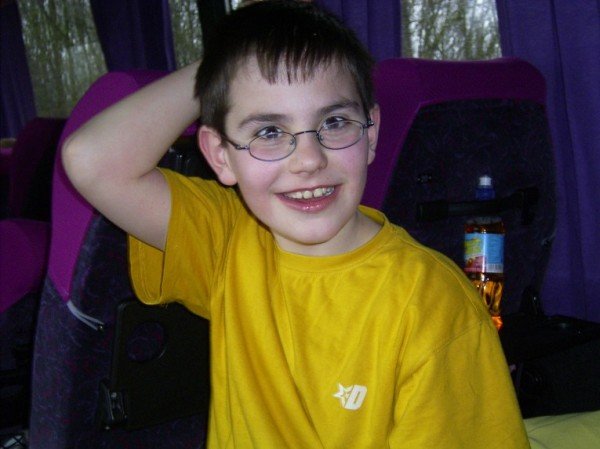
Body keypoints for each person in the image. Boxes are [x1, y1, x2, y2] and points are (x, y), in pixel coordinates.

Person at [62, 1, 530, 447]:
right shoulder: (227, 240)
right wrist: (230, 60)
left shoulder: (431, 305)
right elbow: (92, 160)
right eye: (269, 131)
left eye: (335, 122)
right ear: (221, 156)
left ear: (370, 134)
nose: (309, 159)